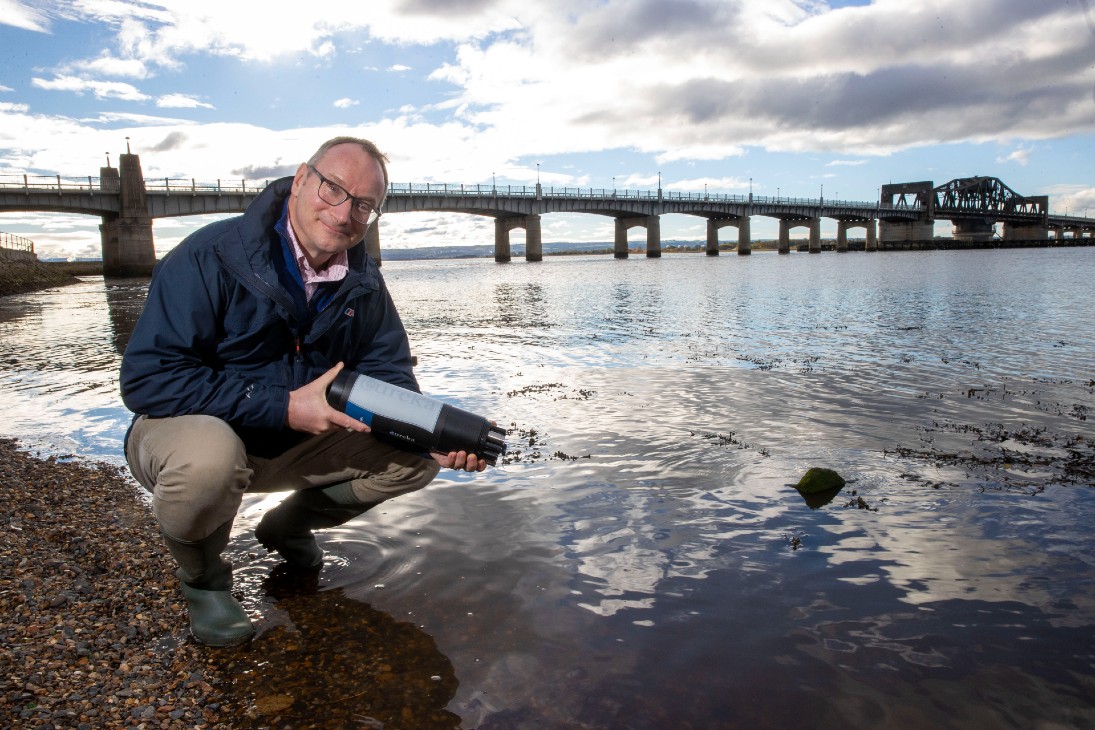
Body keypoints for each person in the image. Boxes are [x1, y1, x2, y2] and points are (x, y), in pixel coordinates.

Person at [120, 136, 487, 647]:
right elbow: (148, 379)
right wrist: (285, 407)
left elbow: (389, 372)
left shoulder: (363, 282)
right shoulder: (209, 256)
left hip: (291, 446)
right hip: (185, 437)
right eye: (334, 189)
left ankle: (287, 526)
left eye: (363, 204)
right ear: (300, 180)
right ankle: (203, 581)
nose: (344, 212)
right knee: (209, 460)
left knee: (415, 460)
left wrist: (428, 431)